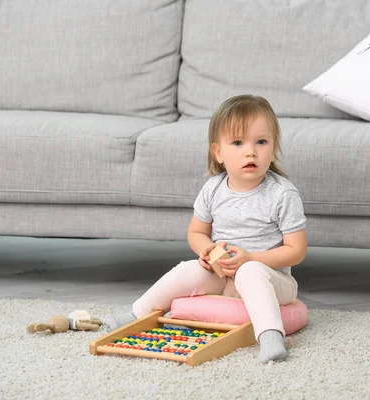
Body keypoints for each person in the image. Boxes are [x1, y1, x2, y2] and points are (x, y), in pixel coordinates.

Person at [103, 94, 307, 363]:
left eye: (261, 142)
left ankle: (269, 335)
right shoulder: (213, 189)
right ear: (218, 152)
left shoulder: (282, 194)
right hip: (224, 276)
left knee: (250, 271)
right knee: (188, 268)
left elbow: (297, 250)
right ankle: (137, 313)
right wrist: (207, 251)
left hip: (272, 279)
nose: (251, 152)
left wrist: (252, 258)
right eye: (237, 142)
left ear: (273, 147)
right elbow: (196, 233)